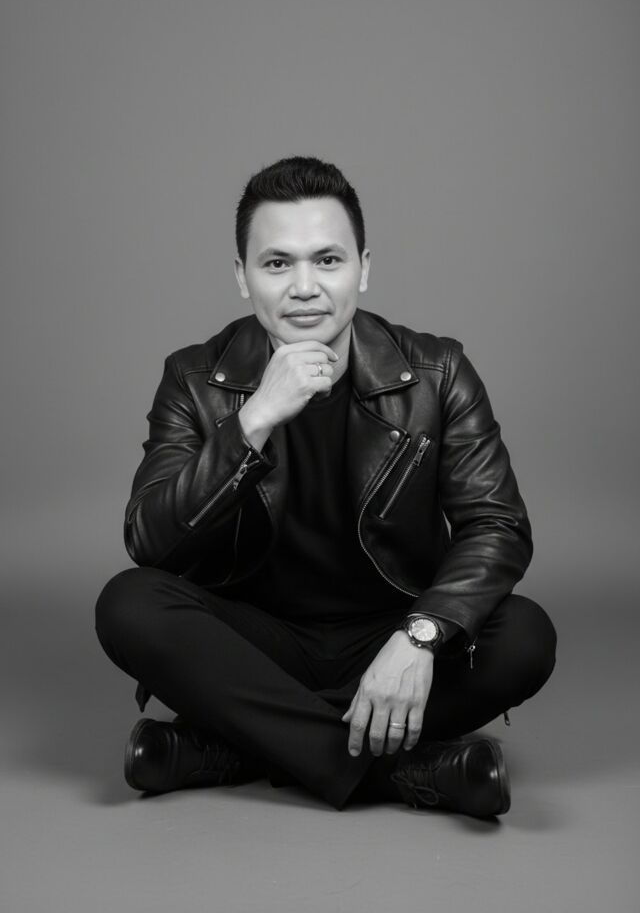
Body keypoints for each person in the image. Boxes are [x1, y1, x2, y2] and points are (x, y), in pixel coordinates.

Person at [95, 155, 557, 815]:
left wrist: (422, 635)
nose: (305, 287)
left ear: (363, 269)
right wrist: (253, 420)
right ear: (242, 276)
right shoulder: (195, 380)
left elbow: (498, 525)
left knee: (525, 635)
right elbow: (149, 539)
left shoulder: (437, 371)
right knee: (128, 604)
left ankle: (240, 746)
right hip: (253, 645)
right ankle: (400, 773)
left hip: (391, 635)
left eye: (328, 260)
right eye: (277, 263)